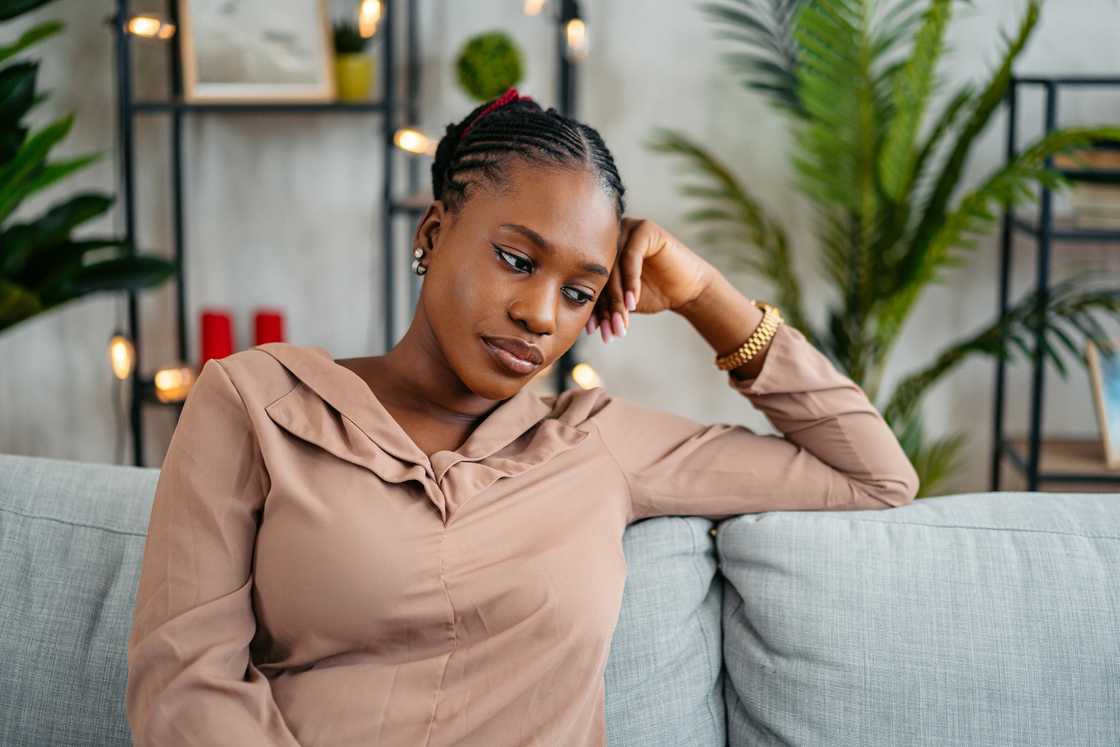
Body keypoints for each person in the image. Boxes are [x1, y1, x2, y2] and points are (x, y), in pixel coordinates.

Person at [125, 87, 919, 746]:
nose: (542, 315)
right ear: (435, 233)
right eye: (516, 259)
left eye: (579, 291)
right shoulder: (256, 403)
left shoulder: (597, 441)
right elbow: (183, 685)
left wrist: (704, 292)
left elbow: (874, 473)